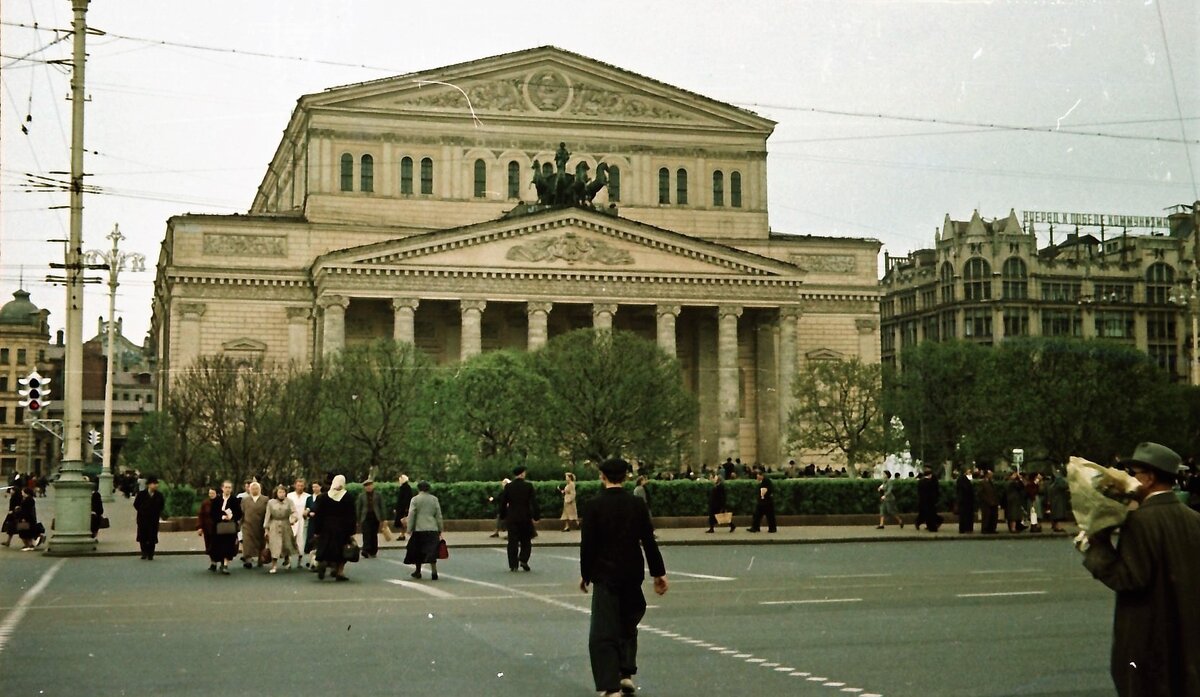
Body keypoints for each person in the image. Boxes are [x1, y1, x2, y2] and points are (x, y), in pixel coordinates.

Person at [1083, 442, 1200, 696]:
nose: (1130, 479)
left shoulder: (1139, 521)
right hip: (1187, 637)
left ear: (1148, 479)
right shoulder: (1194, 519)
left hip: (1147, 640)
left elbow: (1128, 578)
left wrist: (1096, 544)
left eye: (1134, 473)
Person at [580, 457, 668, 697]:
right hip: (632, 573)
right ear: (626, 477)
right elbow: (649, 541)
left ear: (602, 477)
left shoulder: (593, 506)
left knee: (603, 630)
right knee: (628, 624)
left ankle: (610, 686)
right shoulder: (636, 505)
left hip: (605, 574)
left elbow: (588, 545)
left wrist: (585, 574)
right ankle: (625, 674)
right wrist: (658, 573)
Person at [312, 474, 356, 581]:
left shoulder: (323, 497)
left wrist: (317, 530)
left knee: (325, 548)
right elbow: (352, 515)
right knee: (341, 551)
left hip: (326, 527)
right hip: (342, 528)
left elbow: (318, 515)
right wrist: (351, 530)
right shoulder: (348, 497)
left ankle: (323, 563)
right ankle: (339, 571)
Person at [499, 466, 539, 572]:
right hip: (525, 517)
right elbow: (533, 502)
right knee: (526, 540)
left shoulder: (508, 487)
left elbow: (503, 503)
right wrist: (536, 515)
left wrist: (503, 515)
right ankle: (523, 559)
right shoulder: (528, 486)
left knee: (512, 541)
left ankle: (513, 564)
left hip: (512, 517)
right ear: (522, 474)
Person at [403, 480, 443, 580]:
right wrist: (440, 528)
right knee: (432, 551)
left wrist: (409, 528)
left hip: (419, 529)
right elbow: (438, 515)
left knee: (418, 551)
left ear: (418, 488)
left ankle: (418, 571)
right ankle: (434, 571)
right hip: (432, 528)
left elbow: (412, 514)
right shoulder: (434, 499)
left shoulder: (415, 499)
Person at [264, 484, 299, 573]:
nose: (281, 494)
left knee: (286, 544)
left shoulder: (289, 501)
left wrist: (293, 519)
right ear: (276, 493)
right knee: (274, 545)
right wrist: (266, 529)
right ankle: (274, 565)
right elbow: (267, 515)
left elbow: (294, 512)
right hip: (274, 525)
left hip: (285, 524)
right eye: (280, 492)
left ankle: (287, 559)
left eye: (283, 492)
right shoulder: (271, 502)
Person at [210, 480, 242, 574]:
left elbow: (239, 513)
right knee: (218, 545)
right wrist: (222, 517)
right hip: (218, 527)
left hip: (230, 527)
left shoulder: (234, 500)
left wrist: (231, 517)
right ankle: (219, 561)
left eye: (229, 487)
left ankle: (225, 564)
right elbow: (212, 513)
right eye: (226, 487)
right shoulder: (217, 500)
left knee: (229, 546)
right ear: (222, 488)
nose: (228, 489)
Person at [133, 476, 165, 560]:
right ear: (149, 485)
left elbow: (161, 505)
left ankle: (151, 553)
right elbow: (136, 504)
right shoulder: (141, 494)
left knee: (152, 536)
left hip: (153, 519)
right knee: (142, 535)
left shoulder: (159, 495)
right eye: (154, 484)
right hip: (142, 518)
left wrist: (156, 512)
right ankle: (144, 552)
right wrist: (142, 511)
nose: (156, 485)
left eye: (156, 484)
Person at [355, 478, 386, 558]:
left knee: (373, 534)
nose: (368, 487)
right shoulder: (361, 496)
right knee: (366, 534)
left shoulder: (378, 495)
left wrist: (383, 518)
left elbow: (382, 506)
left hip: (375, 516)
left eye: (370, 485)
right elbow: (358, 507)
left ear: (373, 486)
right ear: (364, 488)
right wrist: (357, 520)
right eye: (366, 486)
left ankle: (373, 550)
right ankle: (365, 550)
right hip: (365, 517)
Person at [240, 481, 268, 568]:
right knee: (247, 542)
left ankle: (260, 558)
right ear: (249, 489)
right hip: (247, 524)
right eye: (252, 488)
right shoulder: (245, 500)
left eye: (256, 488)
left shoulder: (265, 499)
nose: (254, 490)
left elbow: (268, 512)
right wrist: (239, 524)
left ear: (259, 489)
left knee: (261, 542)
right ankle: (248, 559)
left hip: (260, 524)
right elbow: (242, 512)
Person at [303, 480, 322, 569]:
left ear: (320, 487)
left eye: (316, 487)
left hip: (320, 521)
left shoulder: (323, 497)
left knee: (319, 541)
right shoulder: (309, 498)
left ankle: (318, 561)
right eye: (313, 487)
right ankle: (310, 561)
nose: (315, 489)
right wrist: (307, 513)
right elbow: (307, 508)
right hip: (311, 522)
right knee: (311, 540)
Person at [915, 467, 941, 532]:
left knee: (925, 514)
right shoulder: (930, 483)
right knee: (930, 514)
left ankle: (919, 523)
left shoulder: (920, 481)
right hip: (929, 501)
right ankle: (931, 527)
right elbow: (933, 492)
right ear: (930, 475)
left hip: (922, 501)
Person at [286, 478, 309, 551]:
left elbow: (309, 507)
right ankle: (288, 558)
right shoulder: (290, 495)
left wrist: (307, 511)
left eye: (302, 486)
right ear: (295, 486)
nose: (300, 487)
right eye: (298, 485)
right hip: (292, 519)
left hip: (302, 519)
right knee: (290, 538)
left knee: (301, 538)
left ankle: (300, 557)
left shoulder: (308, 496)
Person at [197, 487, 217, 559]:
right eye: (210, 493)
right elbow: (201, 515)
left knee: (217, 545)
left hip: (217, 527)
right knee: (209, 545)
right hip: (207, 528)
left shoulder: (220, 502)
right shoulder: (205, 503)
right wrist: (199, 527)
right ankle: (213, 562)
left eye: (212, 493)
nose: (211, 495)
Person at [393, 474, 413, 541]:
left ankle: (405, 534)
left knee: (403, 522)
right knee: (403, 522)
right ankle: (402, 534)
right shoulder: (406, 487)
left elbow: (404, 499)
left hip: (403, 508)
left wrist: (403, 508)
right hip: (403, 508)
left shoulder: (405, 488)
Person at [979, 469, 999, 534]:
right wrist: (987, 500)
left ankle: (992, 528)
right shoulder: (983, 482)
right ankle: (985, 529)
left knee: (993, 516)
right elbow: (981, 493)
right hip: (986, 503)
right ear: (987, 475)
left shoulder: (991, 482)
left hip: (993, 502)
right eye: (990, 474)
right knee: (986, 516)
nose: (991, 475)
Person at [955, 469, 975, 534]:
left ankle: (966, 528)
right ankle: (964, 529)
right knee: (964, 515)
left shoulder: (963, 478)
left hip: (965, 500)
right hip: (964, 500)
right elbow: (965, 489)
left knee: (966, 515)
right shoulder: (962, 479)